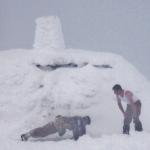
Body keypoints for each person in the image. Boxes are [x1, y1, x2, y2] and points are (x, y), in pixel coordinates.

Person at [21, 115, 91, 141]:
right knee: (43, 131)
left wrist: (80, 136)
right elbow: (77, 130)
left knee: (44, 132)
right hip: (59, 123)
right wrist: (78, 138)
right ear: (85, 119)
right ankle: (27, 135)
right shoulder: (79, 120)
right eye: (86, 122)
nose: (85, 123)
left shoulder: (80, 121)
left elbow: (80, 131)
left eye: (86, 123)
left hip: (59, 123)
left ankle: (28, 135)